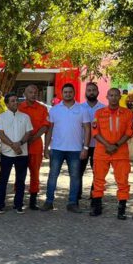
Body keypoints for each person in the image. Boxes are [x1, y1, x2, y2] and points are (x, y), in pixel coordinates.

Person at [42, 83, 92, 212]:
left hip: (75, 150)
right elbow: (50, 130)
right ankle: (49, 201)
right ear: (61, 94)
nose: (68, 94)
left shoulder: (82, 109)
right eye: (65, 92)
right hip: (57, 149)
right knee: (53, 175)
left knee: (75, 177)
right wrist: (46, 147)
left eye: (70, 92)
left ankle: (72, 203)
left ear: (74, 93)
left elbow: (87, 129)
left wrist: (85, 148)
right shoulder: (54, 110)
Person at [89, 88, 133, 219]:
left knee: (123, 181)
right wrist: (108, 145)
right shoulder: (99, 113)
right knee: (98, 180)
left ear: (120, 97)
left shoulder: (127, 113)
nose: (113, 97)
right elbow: (95, 132)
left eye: (116, 95)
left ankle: (122, 209)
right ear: (107, 97)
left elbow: (129, 132)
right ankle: (97, 206)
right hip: (101, 152)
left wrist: (116, 145)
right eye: (111, 95)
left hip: (120, 152)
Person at [0, 93, 34, 213]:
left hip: (22, 154)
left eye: (16, 100)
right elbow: (1, 134)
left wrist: (20, 143)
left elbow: (28, 132)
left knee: (21, 180)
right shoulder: (1, 117)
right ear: (6, 104)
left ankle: (18, 204)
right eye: (12, 101)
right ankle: (0, 205)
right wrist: (13, 145)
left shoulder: (25, 116)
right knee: (3, 179)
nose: (15, 103)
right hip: (7, 153)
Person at [18, 84, 50, 210]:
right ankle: (18, 199)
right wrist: (24, 139)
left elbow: (45, 125)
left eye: (35, 92)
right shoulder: (19, 108)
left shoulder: (42, 108)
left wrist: (34, 137)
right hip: (21, 146)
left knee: (35, 173)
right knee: (20, 173)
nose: (33, 94)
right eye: (30, 92)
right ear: (25, 94)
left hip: (36, 145)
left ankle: (33, 199)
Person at [78, 82, 106, 202]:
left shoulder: (104, 109)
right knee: (78, 171)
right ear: (85, 93)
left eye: (93, 90)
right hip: (82, 145)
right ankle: (76, 194)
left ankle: (95, 194)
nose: (91, 92)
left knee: (97, 172)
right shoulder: (79, 108)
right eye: (89, 90)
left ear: (98, 92)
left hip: (98, 145)